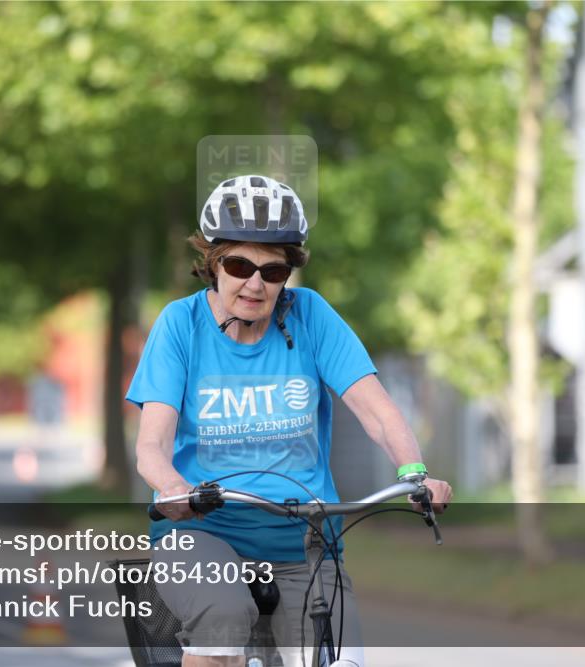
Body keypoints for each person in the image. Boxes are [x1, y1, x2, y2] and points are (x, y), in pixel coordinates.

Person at [126, 175, 452, 667]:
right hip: (200, 532)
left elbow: (377, 411)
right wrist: (172, 488)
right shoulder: (180, 324)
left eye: (272, 271)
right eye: (239, 265)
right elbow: (152, 445)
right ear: (214, 263)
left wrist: (413, 473)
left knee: (333, 656)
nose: (255, 283)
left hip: (304, 540)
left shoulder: (312, 317)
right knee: (223, 616)